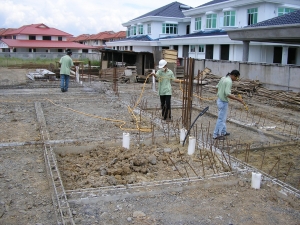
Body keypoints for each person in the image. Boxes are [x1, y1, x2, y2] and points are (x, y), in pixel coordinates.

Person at [213, 70, 245, 140]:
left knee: (223, 118)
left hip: (220, 100)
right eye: (236, 77)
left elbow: (217, 87)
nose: (236, 79)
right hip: (223, 102)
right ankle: (216, 134)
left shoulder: (224, 78)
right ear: (233, 75)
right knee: (221, 119)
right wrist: (238, 99)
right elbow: (227, 94)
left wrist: (220, 94)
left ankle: (223, 132)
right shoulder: (229, 81)